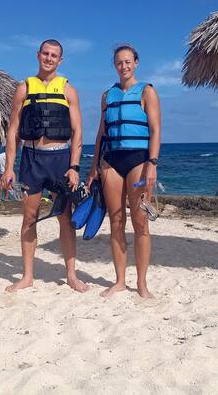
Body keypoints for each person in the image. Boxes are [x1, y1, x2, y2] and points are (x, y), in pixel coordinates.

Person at [0, 39, 88, 293]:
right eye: (46, 54)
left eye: (54, 55)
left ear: (60, 60)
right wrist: (9, 168)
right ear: (38, 55)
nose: (49, 58)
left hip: (60, 159)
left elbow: (77, 131)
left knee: (65, 218)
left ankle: (71, 275)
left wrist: (74, 167)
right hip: (32, 159)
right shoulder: (24, 88)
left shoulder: (69, 90)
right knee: (29, 217)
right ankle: (27, 276)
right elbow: (13, 130)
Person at [88, 44, 161, 299]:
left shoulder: (147, 91)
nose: (124, 66)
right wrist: (93, 167)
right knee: (116, 221)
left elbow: (155, 129)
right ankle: (120, 281)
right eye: (119, 62)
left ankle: (141, 283)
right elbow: (101, 133)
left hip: (138, 160)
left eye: (128, 61)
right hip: (111, 161)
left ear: (136, 62)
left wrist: (152, 163)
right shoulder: (107, 95)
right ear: (114, 65)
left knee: (141, 223)